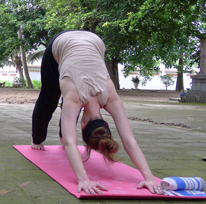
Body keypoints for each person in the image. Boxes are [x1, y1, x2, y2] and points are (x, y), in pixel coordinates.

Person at [31, 30, 162, 195]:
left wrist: (151, 177)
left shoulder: (110, 96)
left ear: (106, 124)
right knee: (49, 98)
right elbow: (128, 140)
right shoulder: (79, 97)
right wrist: (83, 179)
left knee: (70, 104)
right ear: (83, 125)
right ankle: (36, 140)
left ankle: (60, 135)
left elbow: (129, 141)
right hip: (61, 43)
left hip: (95, 41)